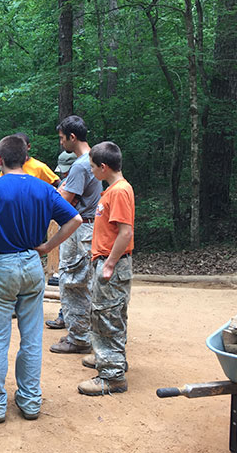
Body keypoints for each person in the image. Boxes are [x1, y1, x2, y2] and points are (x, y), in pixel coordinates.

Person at [0, 135, 81, 423]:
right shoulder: (44, 188)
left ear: (0, 160)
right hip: (32, 263)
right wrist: (48, 247)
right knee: (31, 338)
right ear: (25, 158)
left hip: (1, 264)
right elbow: (75, 219)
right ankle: (29, 401)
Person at [78, 141, 134, 396]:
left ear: (103, 166)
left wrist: (109, 264)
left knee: (107, 316)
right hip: (104, 260)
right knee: (109, 314)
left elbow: (125, 232)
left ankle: (112, 375)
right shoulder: (112, 190)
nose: (91, 172)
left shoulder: (119, 191)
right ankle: (111, 358)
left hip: (111, 263)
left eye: (92, 167)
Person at [49, 116, 103, 355]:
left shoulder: (81, 165)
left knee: (72, 281)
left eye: (62, 138)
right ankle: (83, 331)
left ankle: (79, 338)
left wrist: (49, 196)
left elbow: (65, 201)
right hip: (91, 228)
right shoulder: (92, 160)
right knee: (83, 281)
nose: (61, 143)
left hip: (80, 230)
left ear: (72, 137)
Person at [47, 151, 77, 288]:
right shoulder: (65, 182)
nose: (63, 173)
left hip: (74, 227)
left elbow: (64, 203)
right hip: (65, 227)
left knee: (71, 264)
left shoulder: (75, 180)